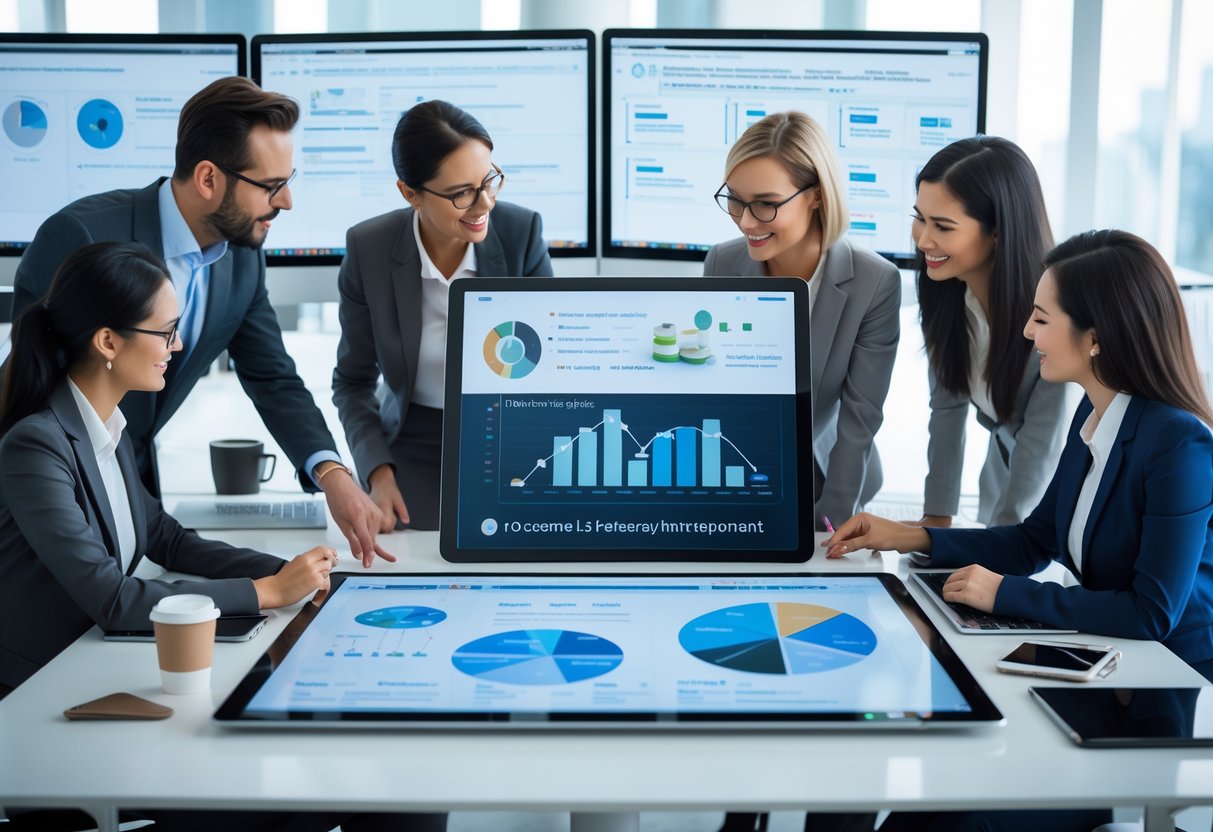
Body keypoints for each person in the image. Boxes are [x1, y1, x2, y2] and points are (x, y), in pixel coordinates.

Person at [0, 242, 444, 832]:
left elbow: (165, 537)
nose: (178, 345)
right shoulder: (37, 445)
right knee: (368, 783)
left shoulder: (105, 425)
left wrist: (292, 573)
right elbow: (113, 598)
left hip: (110, 675)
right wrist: (266, 592)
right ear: (108, 342)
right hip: (57, 710)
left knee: (387, 758)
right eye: (165, 331)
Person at [824, 230, 1213, 832]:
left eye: (1041, 318)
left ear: (1096, 338)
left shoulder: (1179, 444)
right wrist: (908, 536)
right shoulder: (1096, 413)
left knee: (957, 819)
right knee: (927, 797)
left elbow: (1151, 613)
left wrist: (1004, 593)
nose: (1027, 333)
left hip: (1155, 705)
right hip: (1099, 672)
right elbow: (1034, 541)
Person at [8, 76, 389, 567]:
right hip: (53, 501)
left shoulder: (242, 258)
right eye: (271, 186)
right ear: (208, 179)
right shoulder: (82, 235)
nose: (287, 202)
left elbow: (273, 378)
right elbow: (34, 386)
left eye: (288, 181)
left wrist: (331, 473)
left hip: (139, 500)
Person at [332, 100, 552, 531]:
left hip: (512, 435)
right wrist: (378, 472)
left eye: (489, 181)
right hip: (411, 442)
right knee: (408, 549)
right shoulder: (369, 248)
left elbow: (552, 364)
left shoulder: (521, 234)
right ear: (410, 193)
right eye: (461, 193)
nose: (484, 203)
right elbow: (353, 382)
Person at [703, 111, 899, 528]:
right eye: (735, 198)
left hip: (829, 477)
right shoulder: (722, 262)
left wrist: (830, 527)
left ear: (817, 196)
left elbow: (860, 419)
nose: (745, 221)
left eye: (766, 204)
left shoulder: (874, 281)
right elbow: (717, 390)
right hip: (741, 470)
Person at [912, 136, 1068, 528]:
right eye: (919, 218)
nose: (923, 240)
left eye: (942, 226)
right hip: (1005, 483)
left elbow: (1042, 443)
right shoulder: (944, 290)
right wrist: (935, 521)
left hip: (1061, 497)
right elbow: (947, 408)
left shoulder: (1060, 310)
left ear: (997, 231)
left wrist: (1002, 544)